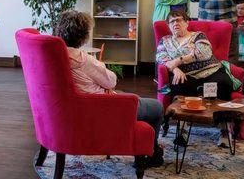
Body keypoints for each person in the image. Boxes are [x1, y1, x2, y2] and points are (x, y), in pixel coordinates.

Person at [55, 10, 164, 168]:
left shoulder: (56, 54)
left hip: (80, 108)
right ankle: (152, 154)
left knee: (131, 97)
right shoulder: (83, 60)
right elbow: (111, 81)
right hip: (103, 109)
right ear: (83, 36)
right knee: (157, 107)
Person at [156, 10, 242, 147]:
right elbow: (161, 58)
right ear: (168, 26)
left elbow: (204, 53)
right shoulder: (165, 41)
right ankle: (182, 129)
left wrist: (178, 61)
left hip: (211, 71)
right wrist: (175, 69)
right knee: (179, 85)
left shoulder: (198, 35)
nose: (176, 23)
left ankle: (224, 130)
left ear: (187, 23)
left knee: (222, 84)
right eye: (172, 21)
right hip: (187, 75)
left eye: (179, 20)